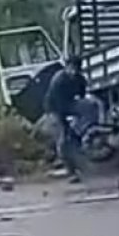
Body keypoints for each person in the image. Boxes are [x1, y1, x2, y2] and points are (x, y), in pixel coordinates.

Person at [44, 54, 89, 182]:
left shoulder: (80, 79)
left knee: (87, 108)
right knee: (63, 139)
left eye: (76, 69)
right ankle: (70, 170)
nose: (73, 71)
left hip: (69, 104)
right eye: (71, 68)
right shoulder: (59, 80)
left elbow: (82, 94)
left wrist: (77, 120)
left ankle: (82, 139)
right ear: (67, 67)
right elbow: (57, 103)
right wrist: (65, 122)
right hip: (54, 108)